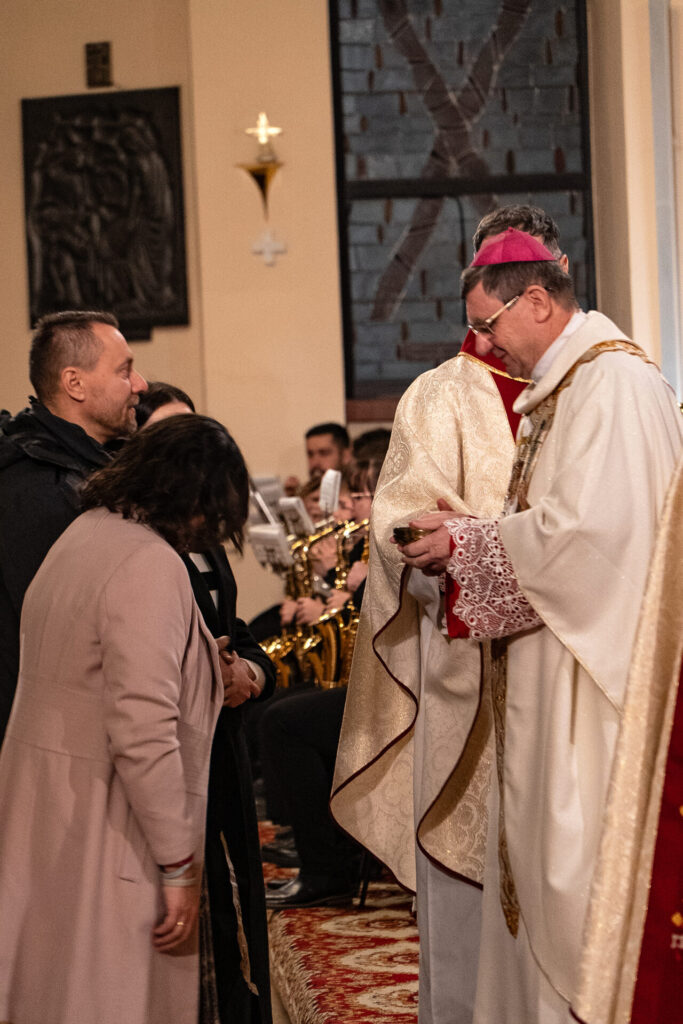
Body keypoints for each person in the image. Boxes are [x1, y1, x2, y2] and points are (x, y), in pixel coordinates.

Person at [398, 228, 683, 1022]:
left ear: (534, 300)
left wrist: (467, 543)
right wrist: (469, 540)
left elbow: (596, 540)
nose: (482, 344)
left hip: (592, 681)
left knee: (575, 870)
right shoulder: (564, 390)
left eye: (487, 325)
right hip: (551, 663)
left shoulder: (613, 386)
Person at [331, 205, 561, 1024]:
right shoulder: (439, 395)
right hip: (471, 679)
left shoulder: (589, 387)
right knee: (471, 890)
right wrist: (479, 546)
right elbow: (399, 523)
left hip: (569, 671)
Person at [0, 414, 250, 1024]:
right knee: (108, 996)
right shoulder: (148, 562)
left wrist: (196, 663)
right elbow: (142, 729)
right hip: (107, 814)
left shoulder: (87, 532)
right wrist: (177, 864)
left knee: (51, 989)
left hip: (50, 800)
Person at [136, 382, 276, 1024]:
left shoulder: (205, 532)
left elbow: (233, 627)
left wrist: (251, 672)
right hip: (176, 751)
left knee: (239, 908)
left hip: (225, 744)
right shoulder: (139, 539)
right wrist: (206, 673)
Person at [0, 309, 147, 745]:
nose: (140, 385)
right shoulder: (38, 487)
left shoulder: (92, 467)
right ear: (74, 383)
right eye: (124, 370)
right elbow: (67, 637)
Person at [263, 457, 380, 908]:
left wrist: (342, 582)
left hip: (392, 690)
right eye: (352, 496)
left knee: (283, 721)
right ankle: (322, 847)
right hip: (365, 678)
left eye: (361, 497)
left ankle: (326, 866)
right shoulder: (362, 545)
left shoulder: (384, 542)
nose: (351, 507)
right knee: (278, 710)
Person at [283, 421, 351, 494]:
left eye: (324, 453)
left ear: (345, 455)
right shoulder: (303, 494)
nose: (315, 462)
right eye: (310, 454)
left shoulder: (356, 496)